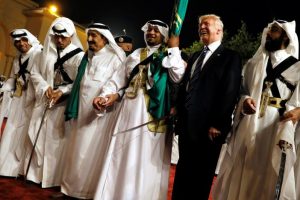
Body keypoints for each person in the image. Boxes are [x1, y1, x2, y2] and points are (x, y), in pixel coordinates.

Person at [93, 19, 185, 200]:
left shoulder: (170, 56)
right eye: (148, 30)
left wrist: (174, 49)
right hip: (127, 111)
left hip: (152, 115)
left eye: (155, 31)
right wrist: (107, 95)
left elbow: (178, 76)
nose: (150, 33)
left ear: (164, 35)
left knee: (144, 160)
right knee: (121, 155)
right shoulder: (135, 54)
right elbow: (117, 80)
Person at [213, 19, 300, 200]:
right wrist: (244, 101)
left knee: (267, 173)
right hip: (248, 123)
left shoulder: (297, 67)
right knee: (242, 168)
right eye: (268, 30)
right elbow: (243, 91)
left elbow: (297, 102)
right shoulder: (253, 64)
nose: (268, 34)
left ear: (286, 35)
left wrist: (295, 113)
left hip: (276, 126)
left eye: (274, 31)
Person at [172, 14, 242, 200]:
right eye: (199, 25)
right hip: (187, 125)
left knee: (201, 178)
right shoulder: (196, 55)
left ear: (219, 30)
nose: (201, 27)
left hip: (209, 130)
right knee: (183, 172)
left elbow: (229, 93)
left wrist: (218, 124)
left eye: (206, 24)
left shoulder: (230, 57)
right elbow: (186, 85)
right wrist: (177, 108)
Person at [60, 22, 126, 199]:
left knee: (89, 153)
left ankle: (85, 193)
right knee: (74, 149)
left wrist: (106, 98)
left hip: (100, 115)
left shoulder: (115, 58)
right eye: (88, 35)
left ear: (105, 38)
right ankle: (68, 189)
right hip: (80, 110)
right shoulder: (86, 57)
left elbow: (118, 85)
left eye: (94, 36)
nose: (89, 39)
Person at [24, 17, 84, 188]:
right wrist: (45, 87)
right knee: (36, 133)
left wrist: (62, 91)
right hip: (44, 100)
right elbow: (35, 73)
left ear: (71, 35)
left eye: (63, 37)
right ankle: (34, 175)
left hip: (62, 104)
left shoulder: (79, 56)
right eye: (56, 36)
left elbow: (80, 82)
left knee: (56, 142)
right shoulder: (45, 53)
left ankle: (52, 179)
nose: (59, 40)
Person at [0, 29, 42, 177]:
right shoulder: (17, 58)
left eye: (23, 40)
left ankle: (21, 169)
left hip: (33, 99)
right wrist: (5, 88)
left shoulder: (39, 54)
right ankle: (6, 167)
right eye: (17, 42)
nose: (21, 44)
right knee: (11, 130)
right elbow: (13, 77)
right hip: (18, 99)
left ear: (29, 39)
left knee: (26, 133)